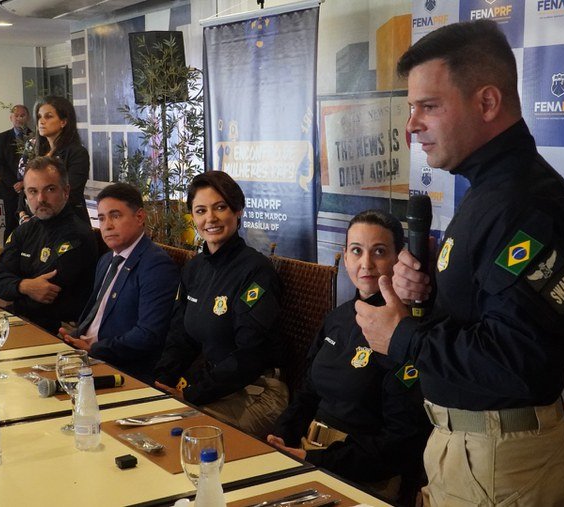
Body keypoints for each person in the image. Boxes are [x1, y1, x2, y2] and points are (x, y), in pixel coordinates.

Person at [354, 20, 564, 506]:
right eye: (411, 108)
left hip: (502, 463)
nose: (412, 125)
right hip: (475, 452)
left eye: (429, 106)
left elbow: (518, 359)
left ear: (486, 103)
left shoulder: (525, 202)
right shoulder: (489, 191)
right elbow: (488, 314)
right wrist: (426, 295)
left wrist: (401, 335)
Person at [266, 210, 430, 501]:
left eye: (379, 251)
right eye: (356, 251)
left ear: (398, 258)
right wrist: (281, 439)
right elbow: (307, 393)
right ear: (345, 256)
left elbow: (401, 442)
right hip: (308, 454)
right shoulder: (338, 318)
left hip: (364, 474)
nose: (366, 263)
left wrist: (316, 460)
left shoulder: (406, 331)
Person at [154, 171, 287, 438]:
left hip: (257, 391)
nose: (210, 218)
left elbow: (250, 355)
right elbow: (180, 336)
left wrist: (190, 393)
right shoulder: (194, 268)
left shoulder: (256, 271)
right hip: (212, 384)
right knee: (152, 419)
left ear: (238, 211)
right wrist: (159, 383)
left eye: (220, 207)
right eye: (201, 210)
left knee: (182, 434)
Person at [57, 183, 179, 383]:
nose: (107, 226)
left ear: (139, 217)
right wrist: (76, 339)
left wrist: (95, 348)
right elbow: (95, 314)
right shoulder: (107, 260)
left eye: (115, 216)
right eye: (102, 218)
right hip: (86, 356)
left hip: (123, 368)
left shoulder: (156, 264)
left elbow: (148, 335)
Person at [0, 156, 97, 334]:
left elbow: (44, 293)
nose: (41, 198)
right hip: (22, 322)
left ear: (66, 191)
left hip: (59, 332)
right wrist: (24, 286)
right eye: (33, 191)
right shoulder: (24, 231)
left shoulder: (78, 236)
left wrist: (15, 286)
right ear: (25, 195)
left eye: (50, 189)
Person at [17, 96, 90, 224]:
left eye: (48, 116)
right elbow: (26, 188)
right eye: (39, 117)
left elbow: (71, 194)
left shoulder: (77, 153)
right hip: (36, 222)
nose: (42, 121)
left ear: (63, 122)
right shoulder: (38, 152)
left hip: (67, 223)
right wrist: (22, 213)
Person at [0, 104, 32, 241]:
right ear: (11, 118)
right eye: (16, 115)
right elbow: (0, 165)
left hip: (30, 189)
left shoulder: (34, 137)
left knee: (30, 226)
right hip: (10, 189)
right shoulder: (2, 137)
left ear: (27, 118)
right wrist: (15, 183)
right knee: (10, 225)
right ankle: (8, 259)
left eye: (22, 115)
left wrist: (25, 182)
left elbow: (37, 164)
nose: (19, 118)